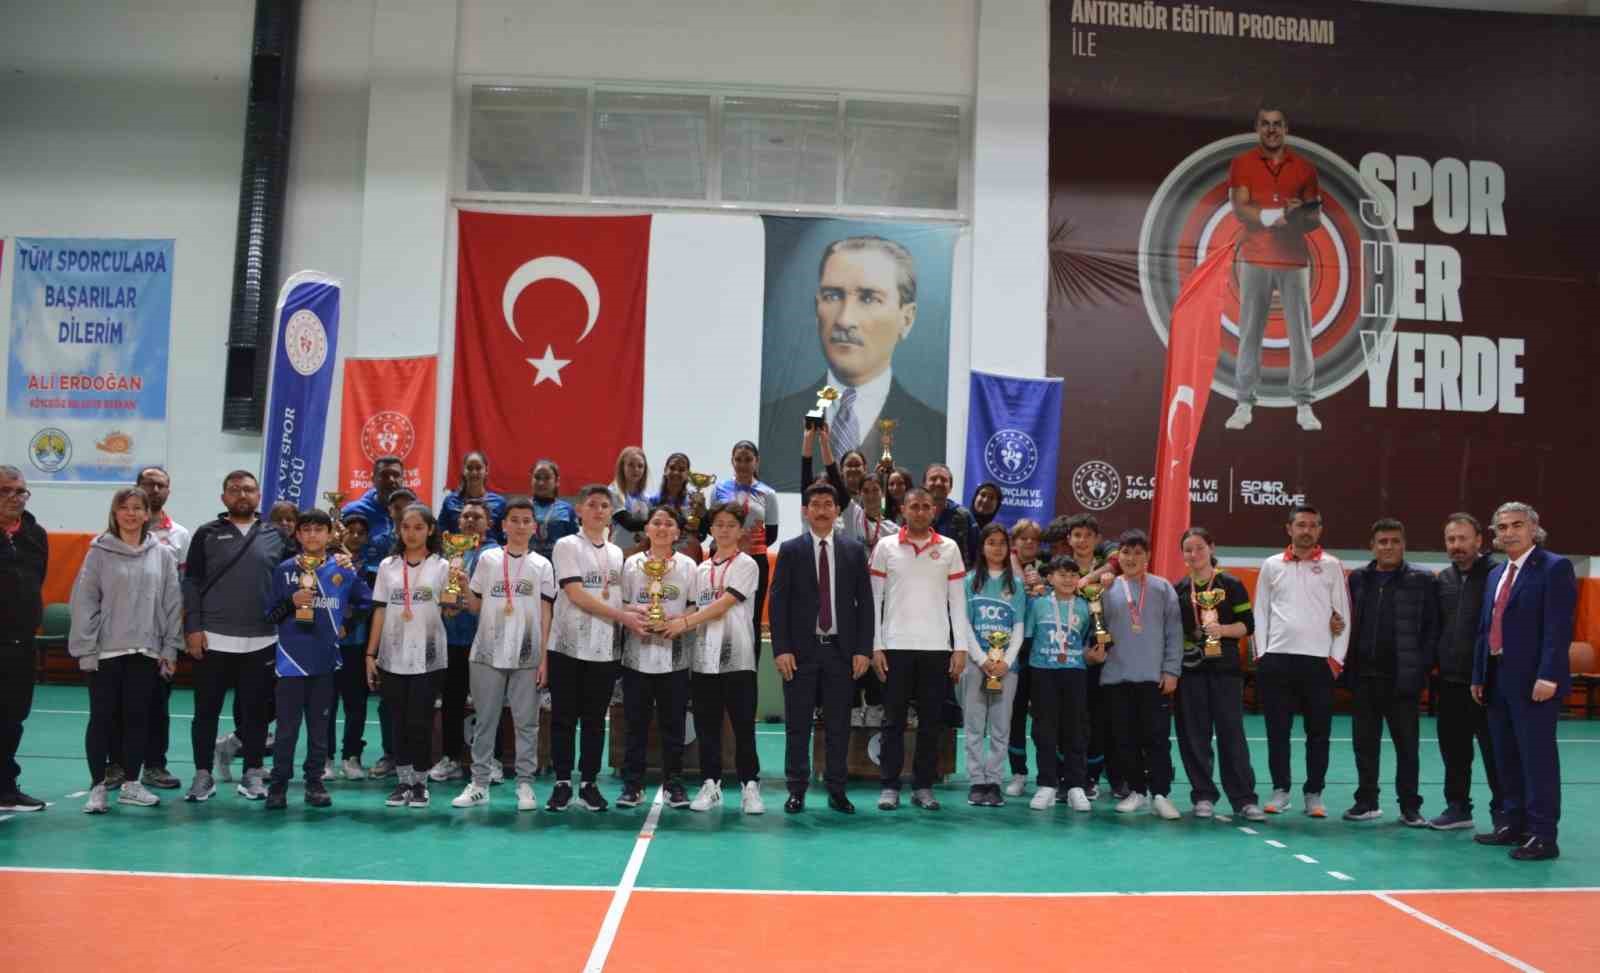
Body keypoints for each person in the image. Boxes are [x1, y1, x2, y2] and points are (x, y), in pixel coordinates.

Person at [759, 235, 945, 490]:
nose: (844, 320)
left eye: (869, 298)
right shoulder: (773, 422)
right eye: (832, 296)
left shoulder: (934, 431)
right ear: (817, 308)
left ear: (907, 318)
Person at [1471, 502, 1576, 861]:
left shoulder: (1554, 567)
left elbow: (1558, 627)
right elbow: (1485, 628)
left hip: (1534, 681)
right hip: (1497, 677)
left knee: (1537, 760)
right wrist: (1479, 674)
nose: (1509, 532)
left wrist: (1548, 674)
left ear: (1534, 528)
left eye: (1517, 525)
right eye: (1502, 527)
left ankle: (1543, 835)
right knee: (1506, 758)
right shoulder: (1496, 574)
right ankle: (1513, 825)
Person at [69, 487, 183, 813]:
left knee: (138, 719)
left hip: (146, 652)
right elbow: (84, 603)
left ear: (148, 514)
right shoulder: (98, 552)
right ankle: (97, 788)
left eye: (137, 508)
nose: (131, 514)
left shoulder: (163, 554)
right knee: (102, 719)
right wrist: (86, 649)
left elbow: (172, 604)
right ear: (115, 513)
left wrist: (170, 649)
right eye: (124, 508)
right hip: (106, 653)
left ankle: (132, 784)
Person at [183, 471, 289, 803]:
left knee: (256, 714)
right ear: (223, 498)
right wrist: (193, 627)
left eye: (248, 489)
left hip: (262, 640)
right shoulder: (206, 534)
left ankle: (252, 774)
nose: (242, 495)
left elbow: (293, 580)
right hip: (213, 638)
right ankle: (203, 775)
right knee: (206, 712)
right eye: (234, 490)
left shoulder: (277, 535)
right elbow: (192, 583)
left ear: (259, 496)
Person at [869, 487, 976, 811]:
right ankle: (889, 786)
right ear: (903, 509)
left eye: (925, 506)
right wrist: (876, 645)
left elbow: (957, 601)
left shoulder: (949, 548)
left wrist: (960, 647)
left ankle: (923, 786)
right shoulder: (885, 546)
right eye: (914, 506)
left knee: (931, 722)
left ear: (934, 511)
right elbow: (874, 599)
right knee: (893, 721)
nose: (919, 511)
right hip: (895, 646)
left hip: (937, 648)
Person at [770, 486, 873, 814]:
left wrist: (863, 649)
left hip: (841, 652)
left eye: (828, 504)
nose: (822, 510)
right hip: (800, 653)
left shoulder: (854, 551)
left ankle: (837, 790)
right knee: (797, 725)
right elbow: (778, 603)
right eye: (815, 504)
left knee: (839, 726)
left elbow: (865, 604)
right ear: (806, 511)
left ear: (837, 511)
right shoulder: (791, 550)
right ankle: (796, 789)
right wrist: (781, 649)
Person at [1223, 104, 1325, 433]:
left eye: (1277, 124)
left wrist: (1299, 213)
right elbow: (1240, 208)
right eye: (1265, 124)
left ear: (1286, 129)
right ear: (1257, 128)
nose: (1271, 129)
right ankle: (1244, 402)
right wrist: (1273, 216)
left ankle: (1304, 404)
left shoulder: (1305, 168)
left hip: (1294, 260)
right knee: (1250, 332)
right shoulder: (1242, 164)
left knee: (1301, 334)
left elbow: (1315, 219)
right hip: (1255, 258)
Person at [452, 497, 556, 812]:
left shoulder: (542, 565)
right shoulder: (488, 559)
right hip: (487, 651)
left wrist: (544, 658)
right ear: (504, 525)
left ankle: (525, 783)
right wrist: (462, 586)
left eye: (527, 520)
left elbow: (546, 614)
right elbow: (475, 606)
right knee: (485, 721)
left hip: (527, 653)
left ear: (534, 527)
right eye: (515, 520)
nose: (521, 525)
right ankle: (479, 784)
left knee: (527, 723)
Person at [263, 509, 369, 810]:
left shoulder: (343, 569)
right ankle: (279, 785)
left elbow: (367, 601)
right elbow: (270, 614)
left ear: (330, 534)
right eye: (306, 529)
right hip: (290, 662)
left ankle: (314, 783)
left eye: (319, 529)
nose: (312, 535)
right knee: (286, 730)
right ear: (297, 535)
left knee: (319, 728)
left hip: (325, 661)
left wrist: (349, 624)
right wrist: (291, 602)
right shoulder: (285, 570)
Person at [1254, 503, 1350, 819]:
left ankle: (1314, 793)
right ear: (1289, 529)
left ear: (1319, 530)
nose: (1306, 530)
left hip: (1318, 664)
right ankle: (1280, 790)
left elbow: (1343, 616)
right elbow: (1260, 612)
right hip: (1277, 661)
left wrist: (1335, 660)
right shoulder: (1271, 565)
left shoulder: (1332, 566)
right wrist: (1262, 654)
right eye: (1301, 525)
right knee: (1277, 732)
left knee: (1318, 733)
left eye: (1312, 525)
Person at [668, 503, 764, 814]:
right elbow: (696, 607)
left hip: (738, 658)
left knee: (743, 726)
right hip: (703, 659)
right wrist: (666, 621)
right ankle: (711, 784)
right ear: (710, 530)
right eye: (719, 524)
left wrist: (684, 623)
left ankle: (750, 785)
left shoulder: (747, 564)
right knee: (707, 726)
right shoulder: (701, 570)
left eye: (731, 525)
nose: (724, 530)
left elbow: (723, 604)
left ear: (740, 531)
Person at [1343, 518, 1438, 826]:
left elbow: (1432, 629)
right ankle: (1366, 802)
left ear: (1404, 545)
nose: (1389, 547)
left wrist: (1421, 667)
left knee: (1407, 748)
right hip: (1364, 678)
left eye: (1395, 541)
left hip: (1403, 679)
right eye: (1382, 541)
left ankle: (1410, 806)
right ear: (1372, 546)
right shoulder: (1357, 579)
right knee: (1364, 746)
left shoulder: (1422, 580)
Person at [547, 486, 636, 812]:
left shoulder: (616, 553)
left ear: (611, 513)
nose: (599, 510)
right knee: (563, 718)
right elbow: (575, 594)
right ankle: (561, 782)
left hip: (604, 648)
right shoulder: (566, 545)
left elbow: (616, 597)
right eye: (592, 505)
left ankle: (588, 783)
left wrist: (637, 613)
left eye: (605, 505)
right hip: (567, 645)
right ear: (579, 511)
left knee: (596, 719)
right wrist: (623, 616)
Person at [1172, 527, 1263, 821]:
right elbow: (1174, 632)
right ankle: (1203, 795)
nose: (1194, 554)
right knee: (1193, 735)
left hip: (1225, 671)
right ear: (1182, 554)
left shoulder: (1231, 584)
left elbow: (1247, 625)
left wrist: (1221, 630)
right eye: (1188, 549)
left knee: (1231, 734)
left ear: (1211, 547)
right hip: (1191, 672)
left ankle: (1244, 799)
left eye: (1199, 547)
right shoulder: (1179, 589)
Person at [365, 503, 451, 809]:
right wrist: (371, 653)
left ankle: (420, 783)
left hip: (429, 656)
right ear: (398, 530)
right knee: (397, 720)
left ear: (430, 530)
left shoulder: (443, 566)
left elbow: (451, 610)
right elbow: (379, 610)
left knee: (420, 721)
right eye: (406, 527)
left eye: (418, 527)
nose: (411, 533)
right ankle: (402, 781)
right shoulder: (387, 566)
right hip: (392, 655)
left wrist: (458, 594)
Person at [1098, 530, 1184, 820]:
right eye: (1126, 552)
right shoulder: (1107, 589)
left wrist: (1171, 670)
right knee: (1124, 739)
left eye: (1138, 553)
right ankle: (1136, 790)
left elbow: (1174, 633)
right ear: (1118, 556)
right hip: (1116, 677)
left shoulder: (1163, 588)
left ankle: (1161, 794)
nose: (1131, 558)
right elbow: (1096, 629)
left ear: (1148, 556)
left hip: (1153, 678)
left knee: (1157, 738)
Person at [617, 507, 698, 810]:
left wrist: (677, 621)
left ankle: (674, 784)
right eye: (656, 523)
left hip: (674, 657)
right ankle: (632, 784)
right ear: (647, 529)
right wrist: (636, 615)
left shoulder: (688, 566)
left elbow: (694, 606)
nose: (662, 528)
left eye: (669, 523)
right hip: (636, 656)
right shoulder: (632, 564)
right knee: (634, 725)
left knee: (673, 725)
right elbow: (621, 604)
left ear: (677, 532)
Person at [1430, 512, 1501, 831]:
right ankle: (1458, 809)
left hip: (1489, 682)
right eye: (1451, 539)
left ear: (1479, 540)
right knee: (1454, 751)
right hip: (1450, 681)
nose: (1456, 545)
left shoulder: (1498, 575)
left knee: (1495, 752)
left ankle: (1504, 813)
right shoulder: (1443, 579)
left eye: (1463, 538)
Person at [429, 499, 494, 784]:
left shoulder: (493, 555)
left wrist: (464, 604)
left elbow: (491, 594)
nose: (470, 521)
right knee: (452, 702)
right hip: (451, 639)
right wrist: (445, 603)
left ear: (488, 523)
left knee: (487, 703)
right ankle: (451, 758)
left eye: (477, 517)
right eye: (465, 516)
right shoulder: (447, 553)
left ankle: (491, 761)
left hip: (483, 638)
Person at [961, 524, 1027, 807]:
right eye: (991, 542)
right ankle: (977, 781)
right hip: (976, 664)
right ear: (982, 546)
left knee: (1001, 727)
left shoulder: (1016, 585)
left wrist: (1006, 662)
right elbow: (964, 624)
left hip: (1006, 670)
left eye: (1002, 542)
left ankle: (994, 781)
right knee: (975, 725)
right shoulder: (969, 581)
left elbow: (1019, 627)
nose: (997, 548)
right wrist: (982, 659)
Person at [1024, 558, 1096, 811]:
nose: (1068, 579)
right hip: (1043, 672)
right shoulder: (1038, 604)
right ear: (1050, 578)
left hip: (1074, 672)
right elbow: (1028, 638)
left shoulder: (1086, 606)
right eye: (1062, 574)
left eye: (1073, 575)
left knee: (1075, 730)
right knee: (1044, 729)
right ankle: (1046, 784)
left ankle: (1076, 785)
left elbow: (1088, 640)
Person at [135, 465, 187, 790]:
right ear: (137, 487)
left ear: (168, 490)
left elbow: (184, 587)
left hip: (162, 634)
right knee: (118, 704)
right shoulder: (118, 530)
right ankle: (116, 766)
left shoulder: (180, 535)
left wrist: (175, 637)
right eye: (149, 484)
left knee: (158, 705)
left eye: (161, 485)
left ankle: (155, 766)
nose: (155, 490)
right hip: (122, 632)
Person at [0, 465, 48, 813]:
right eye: (5, 491)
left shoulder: (36, 534)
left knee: (13, 718)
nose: (14, 498)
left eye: (20, 491)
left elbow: (36, 581)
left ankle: (5, 787)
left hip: (21, 642)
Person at [713, 441, 778, 656]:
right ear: (732, 461)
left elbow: (772, 534)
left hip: (755, 560)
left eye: (748, 459)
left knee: (752, 617)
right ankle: (716, 664)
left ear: (756, 462)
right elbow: (710, 526)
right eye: (738, 459)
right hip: (722, 559)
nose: (743, 464)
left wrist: (747, 545)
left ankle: (750, 669)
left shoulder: (768, 493)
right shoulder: (719, 489)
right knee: (718, 612)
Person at [331, 511, 379, 780]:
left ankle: (352, 756)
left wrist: (349, 625)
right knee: (325, 702)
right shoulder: (325, 563)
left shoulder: (372, 570)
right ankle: (325, 757)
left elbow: (369, 605)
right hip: (327, 644)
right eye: (351, 531)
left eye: (362, 533)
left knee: (356, 704)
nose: (356, 536)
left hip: (357, 645)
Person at [1002, 518, 1047, 795]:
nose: (1029, 542)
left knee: (1044, 716)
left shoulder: (1049, 568)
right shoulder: (1003, 569)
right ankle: (1018, 772)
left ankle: (1048, 774)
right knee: (1015, 713)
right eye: (1023, 538)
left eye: (1034, 539)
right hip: (1013, 649)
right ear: (1014, 542)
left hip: (1043, 650)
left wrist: (1043, 588)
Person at [342, 455, 407, 565]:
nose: (391, 480)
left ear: (402, 479)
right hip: (360, 574)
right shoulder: (353, 510)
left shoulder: (413, 512)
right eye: (384, 475)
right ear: (373, 479)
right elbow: (334, 544)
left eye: (396, 475)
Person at [439, 450, 507, 542]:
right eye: (469, 468)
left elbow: (504, 536)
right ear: (464, 471)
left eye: (478, 468)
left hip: (489, 550)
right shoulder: (450, 501)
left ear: (486, 471)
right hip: (457, 550)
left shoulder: (499, 503)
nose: (474, 472)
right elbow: (441, 532)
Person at [649, 452, 706, 562]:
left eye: (681, 469)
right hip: (659, 553)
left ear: (688, 474)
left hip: (688, 553)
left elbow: (702, 534)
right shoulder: (653, 501)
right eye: (672, 468)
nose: (676, 472)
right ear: (665, 470)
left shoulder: (694, 501)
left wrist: (702, 513)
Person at [924, 463, 976, 565]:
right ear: (924, 485)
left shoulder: (964, 516)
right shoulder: (915, 514)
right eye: (933, 479)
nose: (938, 483)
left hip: (956, 573)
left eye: (944, 480)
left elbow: (976, 552)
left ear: (950, 487)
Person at [530, 459, 579, 561]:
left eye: (547, 478)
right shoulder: (523, 507)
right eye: (537, 477)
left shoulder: (567, 510)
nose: (541, 483)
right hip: (527, 566)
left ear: (557, 481)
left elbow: (574, 544)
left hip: (558, 566)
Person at [608, 446, 652, 556]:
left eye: (640, 466)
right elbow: (629, 524)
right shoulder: (613, 492)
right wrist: (657, 523)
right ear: (622, 467)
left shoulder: (646, 497)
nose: (636, 469)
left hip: (642, 554)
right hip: (620, 554)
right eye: (631, 465)